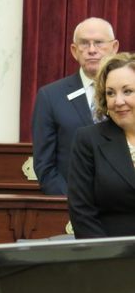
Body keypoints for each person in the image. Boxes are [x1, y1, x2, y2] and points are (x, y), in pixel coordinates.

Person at [33, 17, 119, 195]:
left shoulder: (129, 93)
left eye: (99, 43)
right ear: (74, 50)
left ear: (114, 48)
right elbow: (45, 164)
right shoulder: (50, 96)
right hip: (72, 208)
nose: (92, 50)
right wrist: (73, 203)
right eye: (84, 44)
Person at [68, 52, 135, 238]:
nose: (118, 101)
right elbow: (81, 212)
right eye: (110, 93)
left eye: (127, 91)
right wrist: (107, 259)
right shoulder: (88, 140)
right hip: (110, 257)